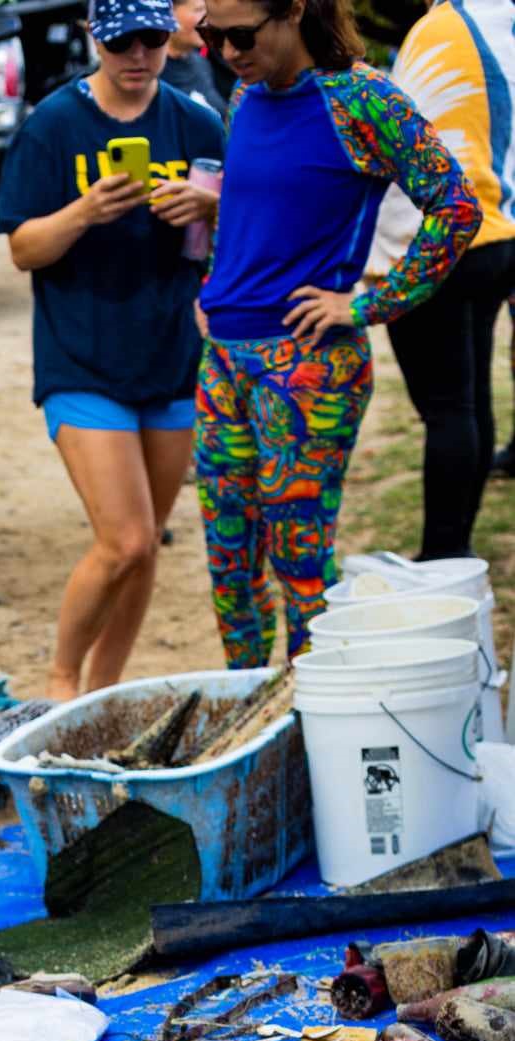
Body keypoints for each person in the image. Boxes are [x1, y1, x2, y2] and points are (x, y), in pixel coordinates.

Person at [194, 0, 479, 669]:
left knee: (301, 568)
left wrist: (372, 302)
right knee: (230, 566)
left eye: (241, 35)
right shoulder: (245, 93)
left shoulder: (361, 99)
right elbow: (247, 206)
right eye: (212, 36)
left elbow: (456, 204)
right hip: (224, 360)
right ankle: (249, 722)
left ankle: (310, 730)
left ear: (293, 12)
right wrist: (213, 286)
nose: (229, 52)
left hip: (305, 367)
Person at [0, 0, 224, 701]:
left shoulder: (197, 122)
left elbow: (231, 243)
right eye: (123, 41)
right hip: (82, 360)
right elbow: (21, 248)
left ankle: (107, 691)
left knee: (147, 543)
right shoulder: (53, 125)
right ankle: (62, 682)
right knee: (124, 539)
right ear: (95, 36)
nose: (139, 56)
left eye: (153, 40)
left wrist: (208, 209)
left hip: (170, 357)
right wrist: (85, 211)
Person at [367, 0, 515, 559]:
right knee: (469, 401)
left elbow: (404, 150)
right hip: (497, 231)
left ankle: (442, 554)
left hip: (443, 244)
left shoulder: (444, 27)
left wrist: (388, 266)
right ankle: (456, 546)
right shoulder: (502, 23)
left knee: (449, 409)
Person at [162, 0, 228, 116]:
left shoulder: (201, 63)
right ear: (169, 12)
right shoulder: (151, 72)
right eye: (199, 10)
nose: (208, 22)